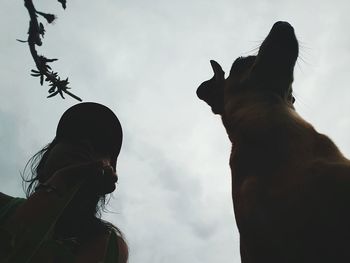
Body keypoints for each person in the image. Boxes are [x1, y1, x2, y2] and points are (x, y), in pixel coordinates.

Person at [0, 102, 128, 262]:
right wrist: (59, 185)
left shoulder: (107, 244)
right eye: (74, 136)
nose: (85, 144)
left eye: (101, 144)